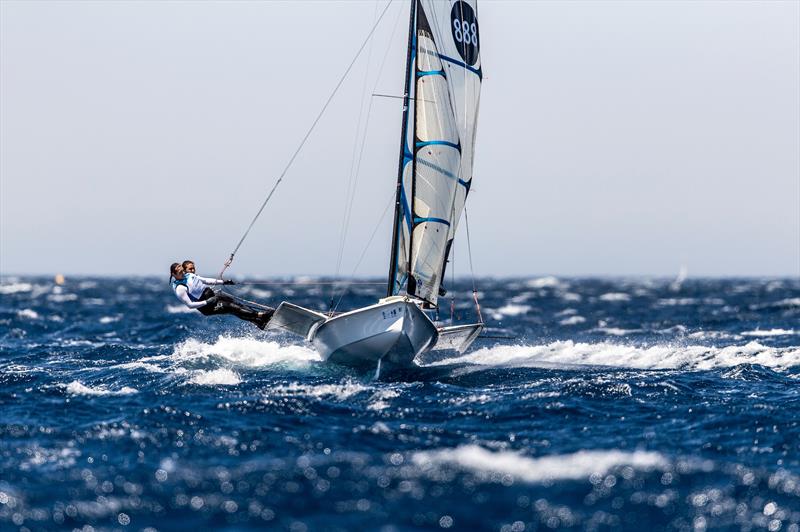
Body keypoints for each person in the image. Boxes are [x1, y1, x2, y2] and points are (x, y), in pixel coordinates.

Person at [169, 262, 273, 329]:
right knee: (232, 307)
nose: (182, 273)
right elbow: (190, 305)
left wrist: (223, 282)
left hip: (213, 296)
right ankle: (262, 315)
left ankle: (258, 322)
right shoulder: (180, 288)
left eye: (182, 271)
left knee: (236, 304)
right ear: (174, 274)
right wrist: (208, 302)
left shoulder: (189, 275)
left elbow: (206, 280)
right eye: (179, 272)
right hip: (207, 307)